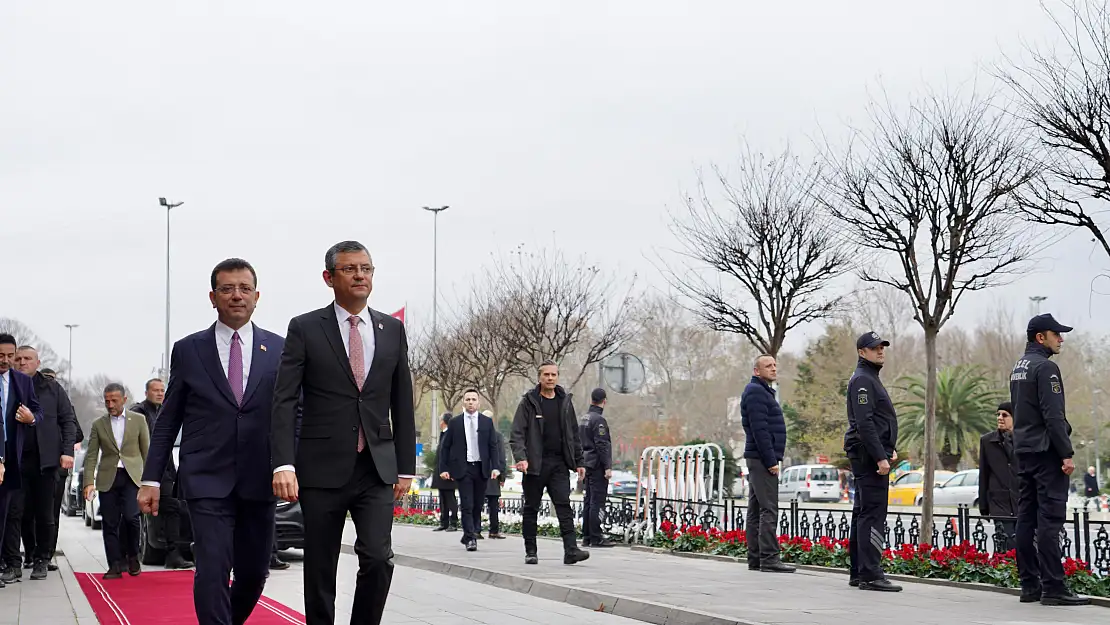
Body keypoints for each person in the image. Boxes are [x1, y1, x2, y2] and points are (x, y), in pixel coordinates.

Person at [271, 240, 416, 625]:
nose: (359, 276)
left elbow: (402, 399)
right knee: (320, 566)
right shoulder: (304, 328)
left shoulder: (392, 329)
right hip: (321, 469)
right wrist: (283, 463)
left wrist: (406, 466)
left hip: (376, 467)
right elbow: (284, 400)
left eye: (366, 269)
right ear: (329, 277)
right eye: (350, 269)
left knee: (378, 558)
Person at [139, 258, 284, 623]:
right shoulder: (189, 350)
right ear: (213, 296)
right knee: (213, 569)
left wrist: (289, 464)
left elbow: (291, 414)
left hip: (259, 476)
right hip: (206, 479)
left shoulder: (281, 349)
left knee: (253, 574)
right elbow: (168, 419)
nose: (236, 296)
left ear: (257, 296)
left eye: (244, 289)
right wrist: (152, 478)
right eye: (227, 289)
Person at [1010, 314, 1088, 606]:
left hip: (1024, 452)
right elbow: (1053, 415)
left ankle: (1030, 586)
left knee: (1026, 519)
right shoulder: (1046, 368)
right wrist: (1066, 453)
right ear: (1040, 338)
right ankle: (1054, 587)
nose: (1061, 339)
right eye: (1056, 334)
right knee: (1049, 521)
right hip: (1046, 454)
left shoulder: (1019, 367)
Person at [3, 346, 76, 582]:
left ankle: (43, 557)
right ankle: (16, 560)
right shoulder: (9, 386)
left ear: (37, 362)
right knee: (16, 512)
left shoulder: (52, 389)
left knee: (44, 513)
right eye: (18, 359)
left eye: (27, 359)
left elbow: (68, 421)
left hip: (45, 461)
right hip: (15, 459)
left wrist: (66, 452)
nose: (22, 362)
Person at [509, 360, 589, 566]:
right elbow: (517, 433)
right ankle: (531, 551)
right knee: (531, 508)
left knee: (564, 506)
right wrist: (521, 458)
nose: (550, 378)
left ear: (558, 377)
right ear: (539, 377)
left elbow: (573, 435)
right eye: (546, 375)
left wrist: (579, 461)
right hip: (535, 465)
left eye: (554, 375)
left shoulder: (565, 402)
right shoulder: (528, 402)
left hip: (559, 464)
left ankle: (571, 550)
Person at [844, 332, 901, 592]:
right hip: (868, 457)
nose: (880, 351)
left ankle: (859, 572)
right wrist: (880, 456)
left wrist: (889, 448)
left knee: (862, 513)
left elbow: (876, 421)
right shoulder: (863, 381)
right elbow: (865, 422)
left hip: (871, 453)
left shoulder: (869, 378)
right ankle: (871, 574)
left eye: (882, 347)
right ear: (861, 352)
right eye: (874, 348)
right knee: (872, 513)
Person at [83, 383, 148, 579]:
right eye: (107, 401)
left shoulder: (138, 420)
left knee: (131, 518)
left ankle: (132, 556)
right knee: (110, 523)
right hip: (108, 478)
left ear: (124, 400)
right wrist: (88, 482)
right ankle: (114, 564)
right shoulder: (98, 424)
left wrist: (150, 481)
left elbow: (147, 451)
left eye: (114, 400)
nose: (110, 405)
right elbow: (92, 455)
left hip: (132, 478)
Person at [131, 378, 193, 571]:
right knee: (168, 508)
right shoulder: (138, 412)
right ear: (146, 393)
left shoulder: (165, 411)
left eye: (162, 390)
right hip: (149, 469)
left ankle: (174, 552)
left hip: (167, 468)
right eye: (155, 390)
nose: (159, 393)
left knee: (172, 507)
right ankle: (171, 553)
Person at [741, 354, 794, 573]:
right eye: (767, 366)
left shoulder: (761, 391)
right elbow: (759, 429)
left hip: (758, 458)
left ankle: (756, 559)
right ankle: (769, 558)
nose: (773, 368)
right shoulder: (755, 392)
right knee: (769, 509)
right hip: (762, 459)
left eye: (774, 365)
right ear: (756, 371)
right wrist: (771, 460)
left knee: (756, 510)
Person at [0, 333, 43, 589]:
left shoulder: (22, 382)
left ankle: (8, 563)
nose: (5, 361)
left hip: (12, 458)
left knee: (6, 513)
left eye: (10, 356)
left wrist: (31, 418)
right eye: (0, 356)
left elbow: (39, 411)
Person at [437, 390, 499, 551]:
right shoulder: (455, 422)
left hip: (481, 468)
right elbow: (445, 447)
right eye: (468, 399)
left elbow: (493, 445)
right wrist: (444, 468)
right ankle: (471, 537)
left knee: (478, 504)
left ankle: (470, 532)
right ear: (463, 402)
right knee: (466, 503)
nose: (471, 402)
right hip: (463, 468)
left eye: (473, 399)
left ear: (478, 403)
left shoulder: (486, 422)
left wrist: (496, 466)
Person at [978, 402, 1019, 552]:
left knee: (1023, 545)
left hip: (1022, 501)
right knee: (1005, 545)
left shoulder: (1025, 440)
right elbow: (984, 473)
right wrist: (984, 506)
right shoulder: (987, 441)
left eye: (1005, 415)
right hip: (999, 504)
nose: (1000, 418)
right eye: (998, 415)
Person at [579, 387, 614, 548]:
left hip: (586, 464)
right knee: (597, 501)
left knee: (588, 500)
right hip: (597, 465)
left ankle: (586, 535)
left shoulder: (584, 418)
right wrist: (607, 466)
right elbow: (602, 445)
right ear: (604, 401)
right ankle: (596, 536)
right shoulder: (599, 420)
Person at [430, 413, 459, 532]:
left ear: (444, 422)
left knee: (450, 499)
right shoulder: (444, 434)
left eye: (440, 420)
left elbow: (454, 455)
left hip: (448, 473)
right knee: (443, 499)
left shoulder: (451, 435)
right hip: (441, 473)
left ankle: (454, 522)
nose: (439, 422)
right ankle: (444, 522)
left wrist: (452, 472)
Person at [484, 411, 507, 539]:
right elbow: (501, 458)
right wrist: (502, 476)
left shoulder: (475, 436)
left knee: (476, 504)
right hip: (493, 476)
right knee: (493, 506)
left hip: (479, 475)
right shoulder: (497, 436)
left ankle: (475, 530)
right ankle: (493, 531)